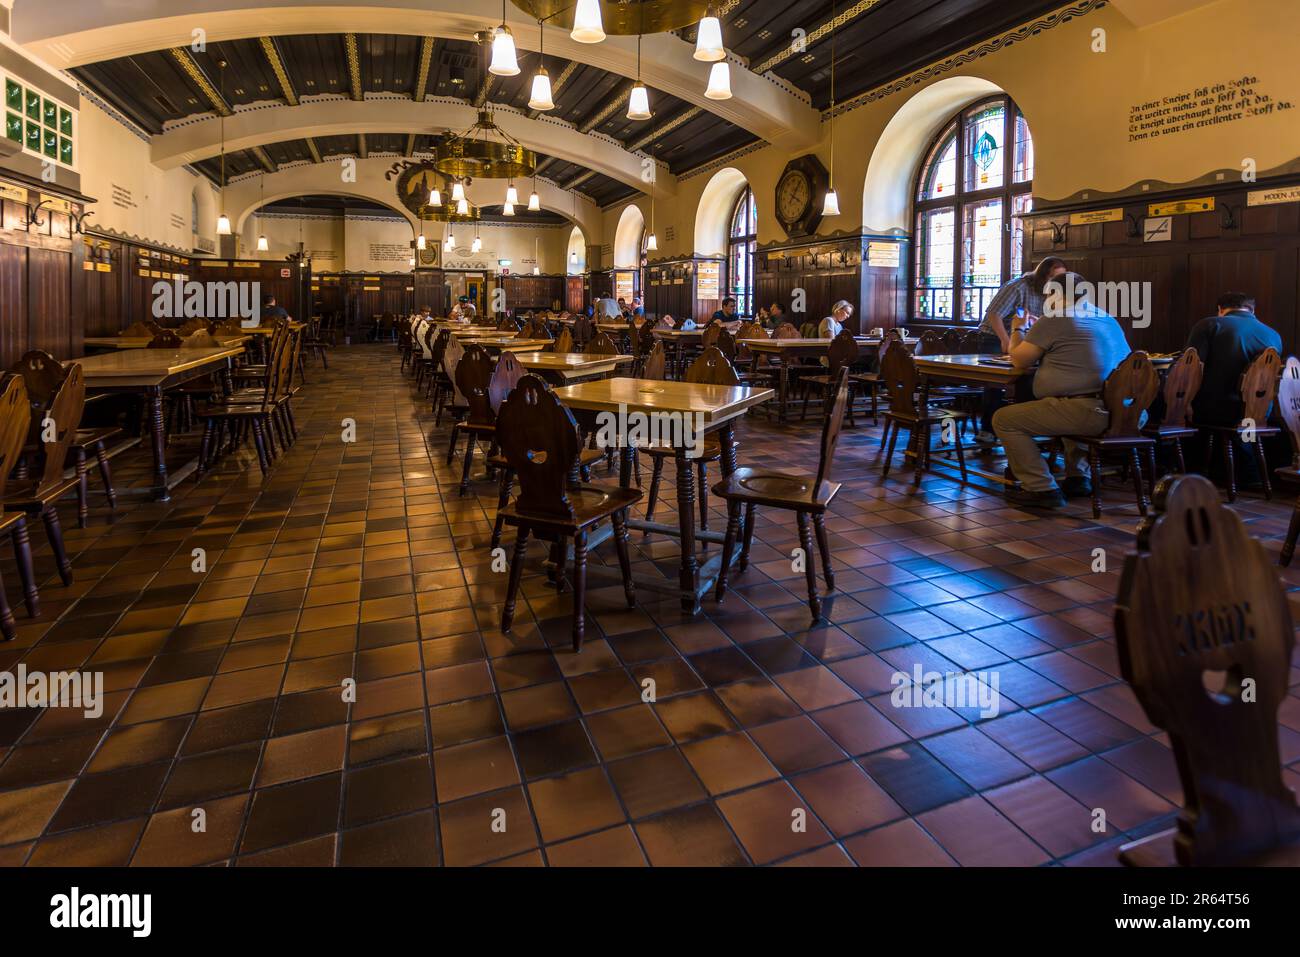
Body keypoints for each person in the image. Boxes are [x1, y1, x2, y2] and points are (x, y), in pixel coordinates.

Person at [991, 272, 1132, 509]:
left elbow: (1019, 360)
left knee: (1004, 419)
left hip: (1087, 412)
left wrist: (1018, 329)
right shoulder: (1107, 317)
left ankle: (1041, 487)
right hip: (1125, 411)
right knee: (1066, 401)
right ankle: (1078, 477)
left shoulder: (1056, 317)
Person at [1187, 292, 1284, 487]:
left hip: (1220, 411)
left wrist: (1186, 402)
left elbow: (1191, 368)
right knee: (1244, 420)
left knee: (1166, 406)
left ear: (1220, 310)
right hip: (1259, 412)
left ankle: (1189, 472)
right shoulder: (1273, 334)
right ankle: (1248, 473)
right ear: (1252, 311)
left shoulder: (1210, 324)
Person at [975, 257, 1068, 449]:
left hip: (1026, 338)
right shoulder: (1018, 287)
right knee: (996, 381)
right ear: (1043, 276)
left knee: (1028, 378)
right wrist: (1005, 340)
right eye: (1053, 278)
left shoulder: (1053, 292)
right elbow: (994, 314)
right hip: (995, 336)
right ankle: (988, 431)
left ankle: (1024, 428)